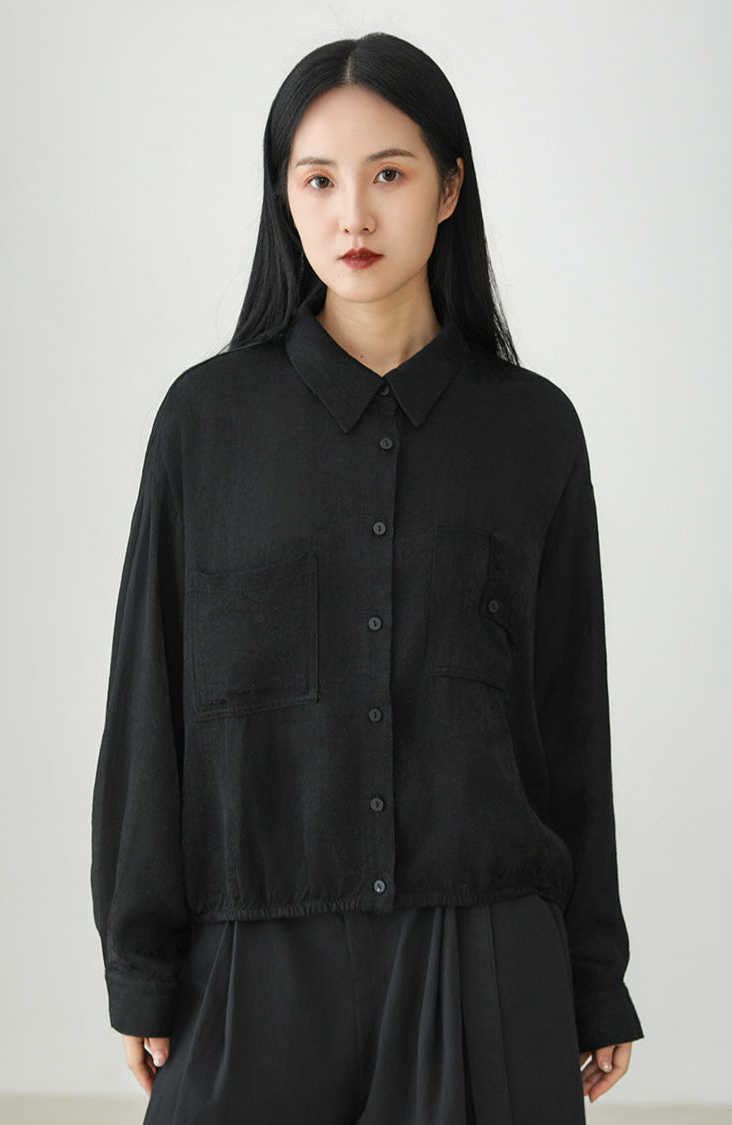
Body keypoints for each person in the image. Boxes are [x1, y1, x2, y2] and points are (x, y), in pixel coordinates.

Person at [90, 30, 644, 1125]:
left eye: (389, 174)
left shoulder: (533, 432)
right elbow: (149, 704)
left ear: (450, 189)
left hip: (482, 949)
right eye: (319, 180)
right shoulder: (205, 423)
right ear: (284, 198)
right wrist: (139, 961)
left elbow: (571, 721)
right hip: (250, 956)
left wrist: (594, 977)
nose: (353, 214)